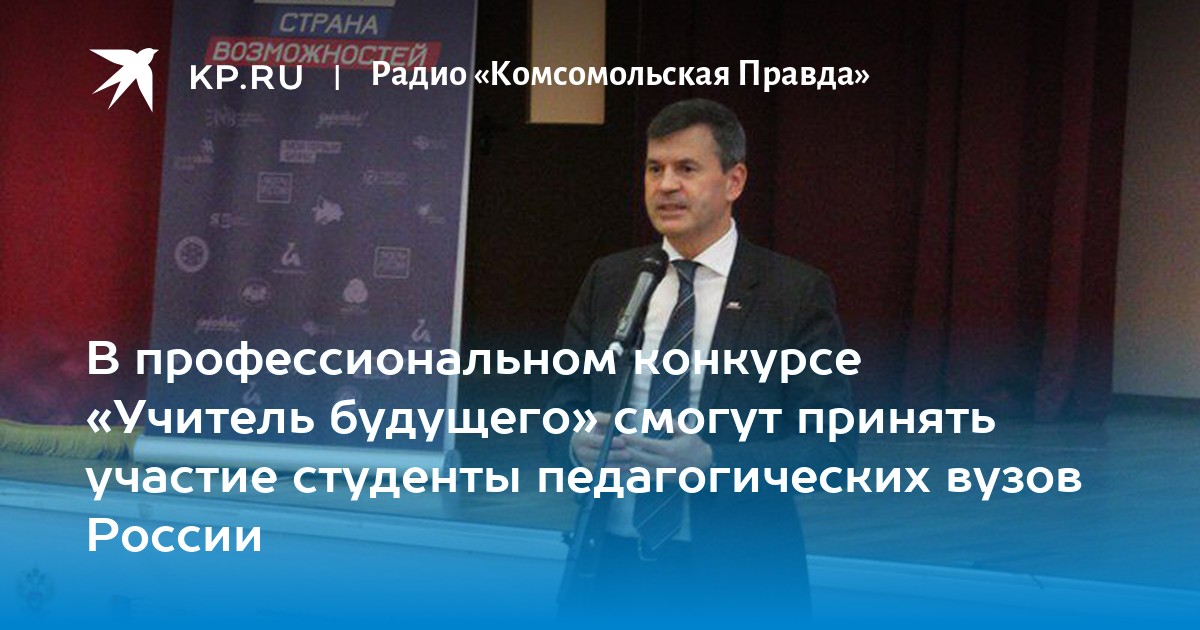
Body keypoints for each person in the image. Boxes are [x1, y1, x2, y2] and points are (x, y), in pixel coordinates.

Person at [547, 98, 855, 621]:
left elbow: (831, 450)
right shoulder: (612, 279)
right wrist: (574, 446)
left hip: (738, 578)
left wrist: (712, 464)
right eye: (654, 169)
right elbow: (562, 406)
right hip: (612, 570)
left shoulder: (793, 292)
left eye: (686, 169)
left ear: (734, 181)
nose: (666, 185)